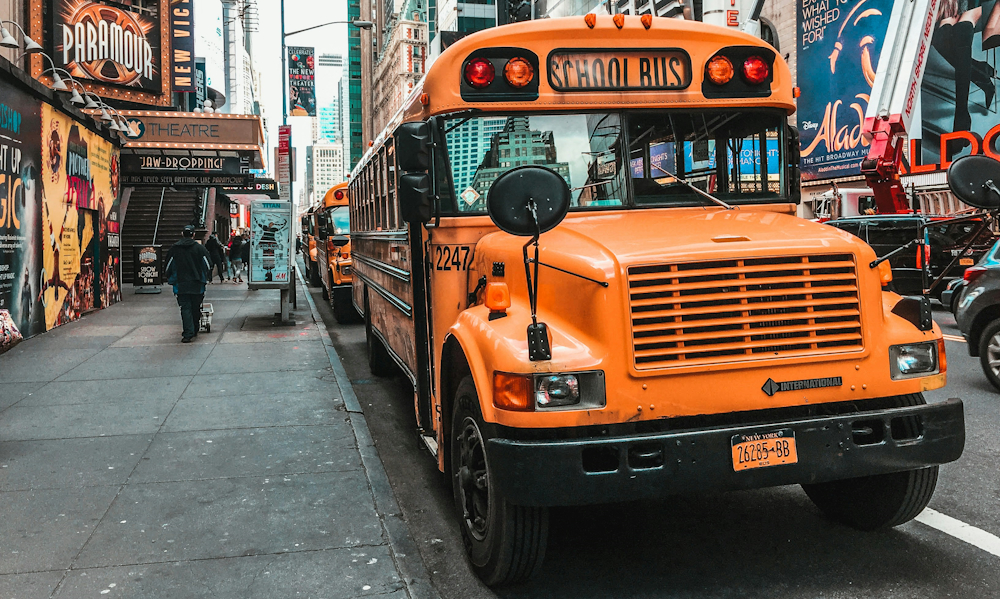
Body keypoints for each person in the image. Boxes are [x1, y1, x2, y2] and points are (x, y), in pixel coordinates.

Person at [165, 225, 212, 343]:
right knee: (196, 307)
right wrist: (205, 276)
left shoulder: (174, 249)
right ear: (193, 234)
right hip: (197, 283)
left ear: (182, 234)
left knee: (185, 307)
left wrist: (171, 278)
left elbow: (168, 267)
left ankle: (188, 333)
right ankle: (195, 328)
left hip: (181, 283)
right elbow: (207, 265)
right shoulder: (200, 249)